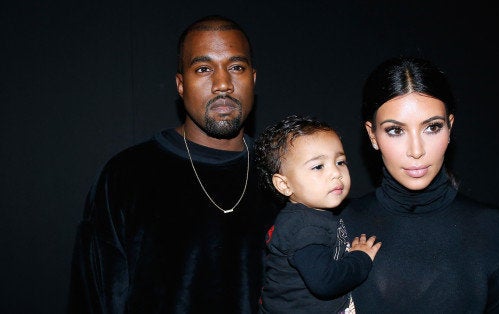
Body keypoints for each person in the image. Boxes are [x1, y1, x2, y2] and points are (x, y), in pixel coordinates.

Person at [67, 15, 278, 313]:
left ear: (253, 79)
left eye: (236, 67)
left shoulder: (283, 174)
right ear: (180, 85)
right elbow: (93, 298)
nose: (222, 84)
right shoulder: (126, 177)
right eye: (203, 69)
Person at [340, 56, 499, 313]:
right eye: (396, 130)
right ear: (373, 135)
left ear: (450, 127)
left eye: (432, 127)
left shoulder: (496, 230)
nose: (416, 150)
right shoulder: (340, 225)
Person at [254, 114, 382, 313]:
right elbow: (326, 282)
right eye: (318, 166)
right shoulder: (304, 226)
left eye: (340, 162)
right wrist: (360, 258)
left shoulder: (313, 214)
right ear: (284, 184)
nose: (335, 173)